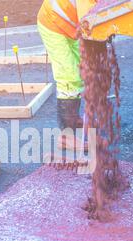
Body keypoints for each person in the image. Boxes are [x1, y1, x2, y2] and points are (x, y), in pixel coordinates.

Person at [37, 0, 96, 149]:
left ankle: (72, 118)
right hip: (53, 23)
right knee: (69, 77)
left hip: (70, 27)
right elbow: (90, 21)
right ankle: (66, 138)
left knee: (81, 68)